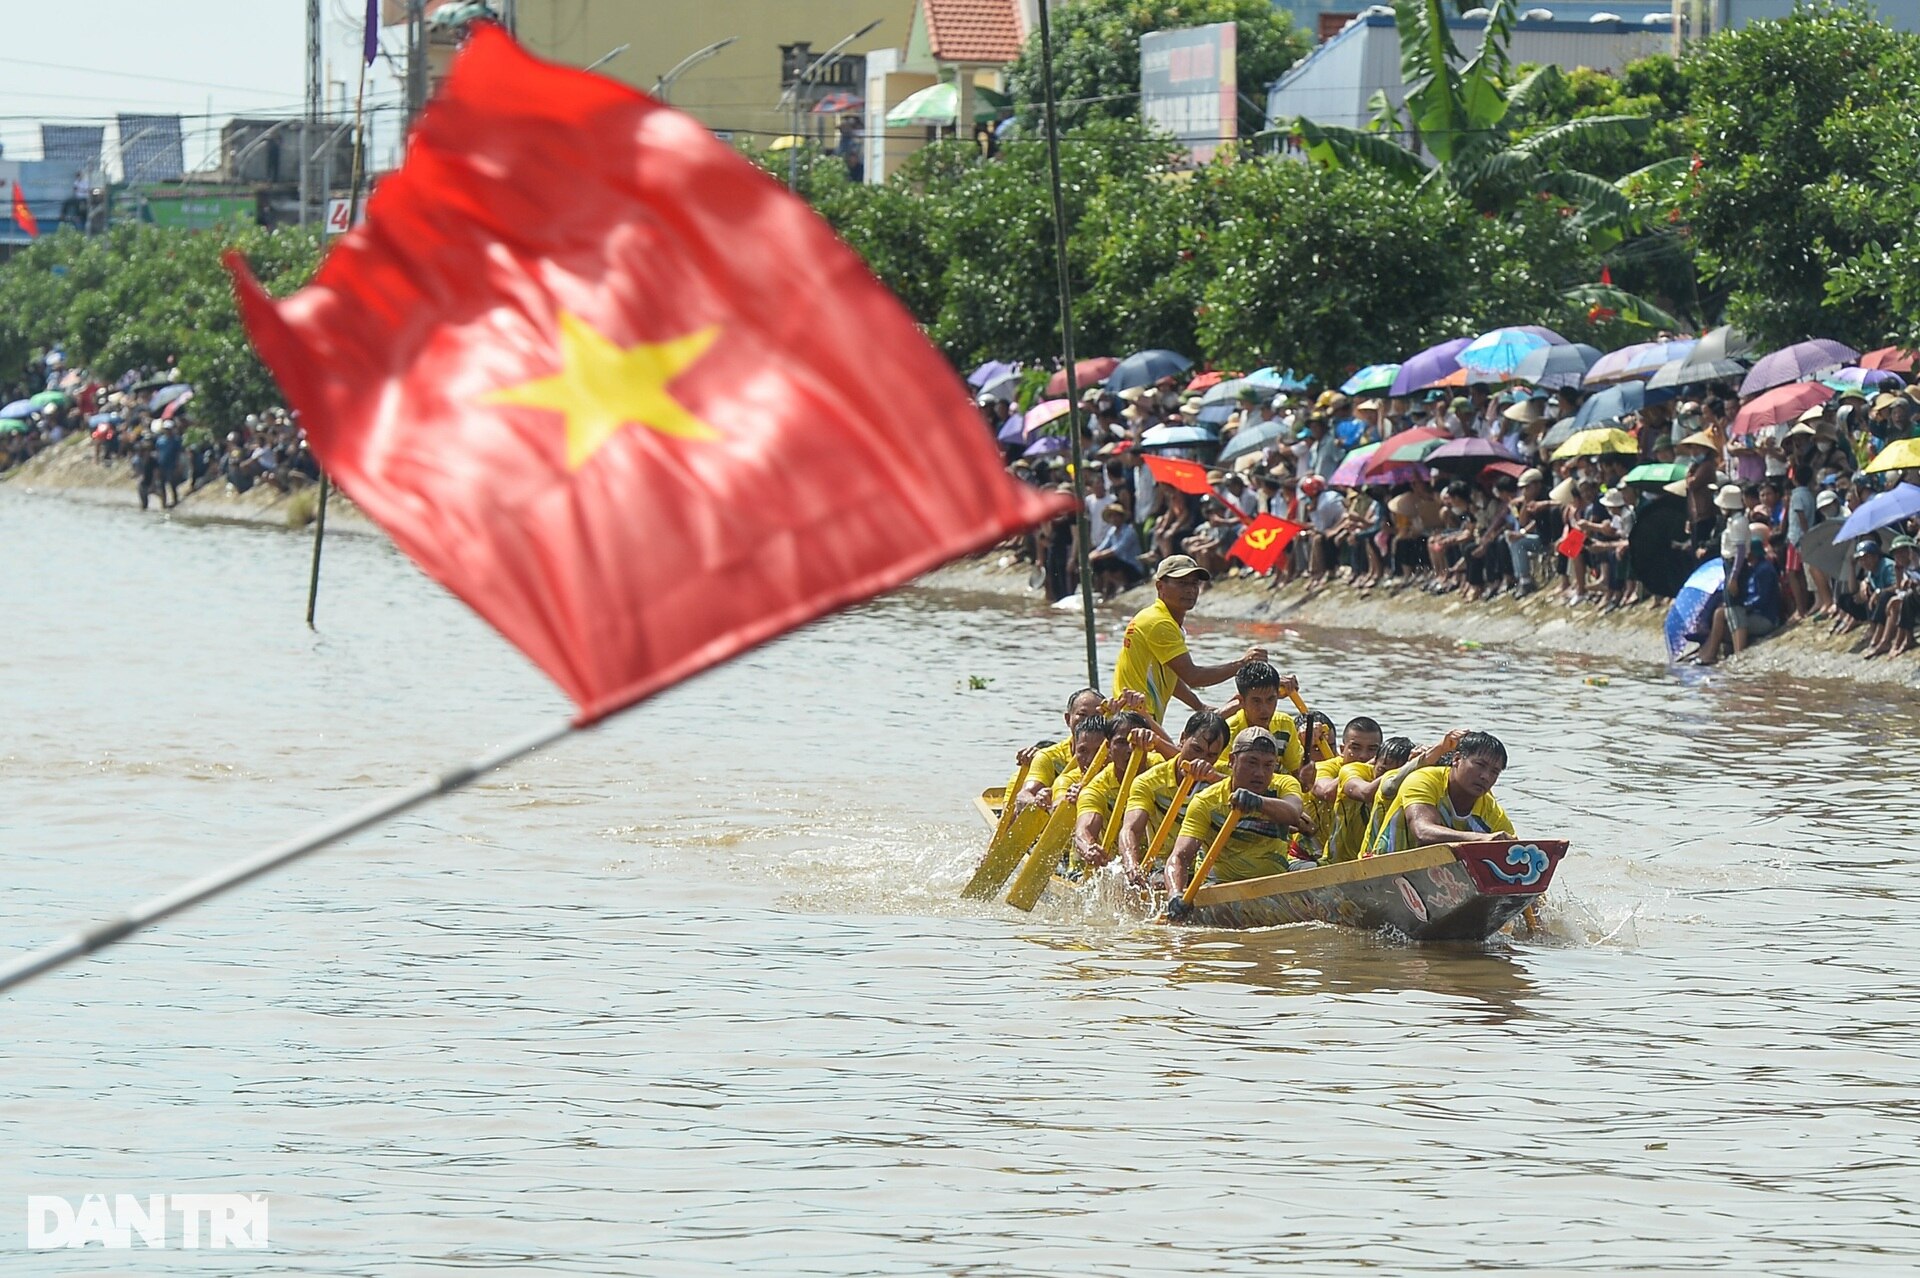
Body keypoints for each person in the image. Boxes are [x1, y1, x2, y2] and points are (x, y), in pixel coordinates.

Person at [1164, 727, 1314, 910]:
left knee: (1314, 871)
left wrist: (1258, 802)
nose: (1260, 773)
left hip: (1274, 879)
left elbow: (1293, 813)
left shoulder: (1283, 784)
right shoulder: (1206, 802)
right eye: (1252, 762)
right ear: (1232, 761)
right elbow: (1179, 856)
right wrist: (1175, 894)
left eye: (1268, 765)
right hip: (1219, 885)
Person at [1111, 555, 1266, 720]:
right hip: (1135, 720)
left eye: (1194, 583)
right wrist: (1243, 664)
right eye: (1182, 583)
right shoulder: (1159, 623)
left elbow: (1173, 676)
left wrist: (1199, 707)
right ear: (1160, 586)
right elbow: (1193, 677)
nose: (1190, 590)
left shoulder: (1160, 618)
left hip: (1132, 717)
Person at [1116, 709, 1228, 884]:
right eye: (1196, 749)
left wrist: (1216, 780)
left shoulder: (1224, 777)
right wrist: (1131, 864)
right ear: (1182, 739)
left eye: (1211, 755)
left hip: (1205, 868)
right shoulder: (1148, 782)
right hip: (1163, 867)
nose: (1200, 760)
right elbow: (1130, 829)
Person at [1369, 731, 1514, 855]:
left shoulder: (1491, 810)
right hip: (1375, 868)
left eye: (1494, 772)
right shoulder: (1423, 779)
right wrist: (1482, 839)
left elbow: (1515, 847)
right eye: (1480, 765)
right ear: (1456, 759)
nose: (1486, 776)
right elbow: (1422, 831)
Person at [1070, 712, 1164, 872]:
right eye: (1121, 742)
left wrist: (1158, 741)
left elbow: (1190, 760)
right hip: (1112, 865)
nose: (1129, 750)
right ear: (1108, 748)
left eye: (1135, 742)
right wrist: (1089, 848)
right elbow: (1083, 830)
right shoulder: (1097, 788)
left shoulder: (1160, 768)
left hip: (1155, 864)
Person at [1214, 660, 1309, 785]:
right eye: (1256, 701)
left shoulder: (1285, 724)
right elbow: (1219, 776)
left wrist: (1307, 775)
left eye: (1270, 699)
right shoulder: (1228, 731)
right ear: (1241, 701)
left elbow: (1297, 773)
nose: (1265, 709)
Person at [1695, 532, 1782, 666]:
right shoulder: (1751, 569)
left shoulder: (1764, 570)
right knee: (1721, 619)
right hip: (1752, 614)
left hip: (1765, 618)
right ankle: (1712, 653)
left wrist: (1744, 606)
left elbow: (1761, 599)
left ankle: (1711, 653)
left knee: (1721, 613)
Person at [1311, 717, 1384, 864]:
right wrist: (1358, 770)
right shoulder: (1325, 767)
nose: (1363, 756)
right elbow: (1326, 792)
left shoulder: (1382, 770)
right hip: (1310, 856)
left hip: (1357, 860)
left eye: (1372, 749)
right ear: (1342, 749)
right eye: (1355, 748)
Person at [1086, 502, 1144, 599]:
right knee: (1097, 562)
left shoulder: (1129, 531)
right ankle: (1102, 590)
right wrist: (1091, 556)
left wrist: (1098, 555)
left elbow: (1117, 550)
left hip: (1133, 568)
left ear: (1121, 517)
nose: (1114, 519)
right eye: (1111, 516)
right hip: (1119, 563)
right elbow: (1101, 547)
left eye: (1116, 516)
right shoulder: (1112, 531)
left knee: (1109, 561)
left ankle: (1122, 584)